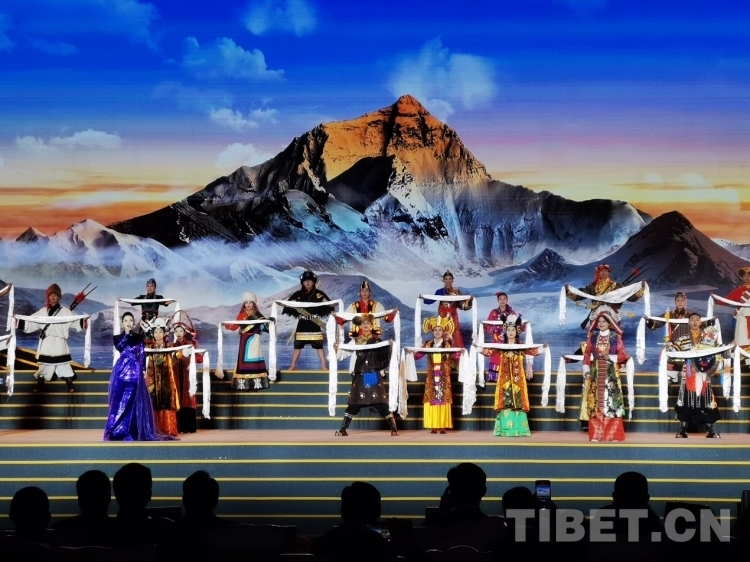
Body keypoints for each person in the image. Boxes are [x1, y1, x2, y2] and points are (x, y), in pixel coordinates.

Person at [104, 312, 171, 441]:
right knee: (120, 401)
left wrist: (144, 369)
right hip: (121, 372)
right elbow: (120, 347)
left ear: (133, 322)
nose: (128, 323)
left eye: (131, 320)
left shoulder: (138, 337)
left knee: (134, 401)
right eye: (126, 320)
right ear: (122, 323)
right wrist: (127, 334)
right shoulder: (117, 337)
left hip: (135, 371)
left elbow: (142, 354)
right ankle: (117, 430)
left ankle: (133, 430)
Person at [334, 313, 398, 436]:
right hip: (360, 374)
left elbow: (384, 358)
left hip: (371, 374)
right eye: (363, 323)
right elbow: (343, 353)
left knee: (379, 402)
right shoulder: (355, 341)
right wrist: (337, 348)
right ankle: (343, 430)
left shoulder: (377, 341)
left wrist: (389, 347)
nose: (365, 325)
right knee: (354, 404)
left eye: (368, 323)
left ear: (371, 325)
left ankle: (394, 429)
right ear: (360, 326)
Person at [482, 315, 544, 437]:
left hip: (517, 380)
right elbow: (490, 352)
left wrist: (542, 348)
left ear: (517, 331)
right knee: (505, 401)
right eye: (509, 330)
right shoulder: (501, 347)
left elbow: (532, 351)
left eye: (513, 330)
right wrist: (479, 348)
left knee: (518, 400)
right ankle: (504, 429)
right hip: (505, 380)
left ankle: (520, 429)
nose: (511, 332)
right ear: (506, 331)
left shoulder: (521, 346)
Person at [18, 283, 84, 393]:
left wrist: (84, 321)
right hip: (47, 342)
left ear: (59, 297)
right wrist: (19, 321)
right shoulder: (43, 311)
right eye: (50, 295)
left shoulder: (65, 311)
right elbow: (32, 321)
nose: (52, 297)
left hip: (59, 342)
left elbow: (75, 321)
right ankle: (39, 387)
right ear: (48, 297)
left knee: (63, 365)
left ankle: (70, 386)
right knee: (44, 366)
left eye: (55, 295)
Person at [667, 313, 723, 438]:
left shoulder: (708, 338)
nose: (695, 322)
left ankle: (711, 430)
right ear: (688, 323)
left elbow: (720, 349)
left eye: (697, 319)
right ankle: (682, 430)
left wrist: (731, 346)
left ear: (700, 322)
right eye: (692, 319)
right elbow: (672, 353)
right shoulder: (682, 339)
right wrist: (668, 349)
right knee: (685, 401)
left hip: (704, 375)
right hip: (688, 374)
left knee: (707, 401)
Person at [581, 307, 630, 442]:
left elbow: (622, 355)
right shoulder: (593, 338)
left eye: (604, 321)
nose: (601, 323)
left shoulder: (616, 338)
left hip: (611, 374)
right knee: (596, 402)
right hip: (596, 374)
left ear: (610, 323)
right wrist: (586, 371)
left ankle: (613, 435)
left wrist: (610, 357)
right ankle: (596, 434)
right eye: (599, 321)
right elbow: (586, 356)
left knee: (612, 403)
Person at [412, 316, 459, 434]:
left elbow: (456, 356)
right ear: (432, 331)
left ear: (443, 332)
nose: (437, 332)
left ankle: (442, 425)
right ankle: (433, 425)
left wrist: (453, 342)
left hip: (444, 376)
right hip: (432, 376)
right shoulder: (428, 344)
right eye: (435, 330)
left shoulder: (447, 345)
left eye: (440, 330)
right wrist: (409, 353)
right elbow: (417, 356)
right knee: (432, 398)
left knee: (443, 398)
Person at [565, 264, 645, 330]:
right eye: (601, 271)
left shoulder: (617, 285)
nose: (603, 272)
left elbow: (630, 296)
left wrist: (642, 289)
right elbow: (581, 294)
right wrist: (568, 291)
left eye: (605, 271)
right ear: (598, 272)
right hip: (596, 313)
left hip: (612, 313)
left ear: (609, 272)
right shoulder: (592, 286)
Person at [282, 270, 334, 371]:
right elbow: (288, 305)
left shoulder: (319, 294)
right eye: (306, 281)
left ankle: (323, 366)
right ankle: (293, 365)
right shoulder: (297, 294)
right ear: (303, 282)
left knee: (319, 346)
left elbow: (330, 304)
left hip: (314, 323)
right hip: (302, 323)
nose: (308, 283)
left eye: (310, 280)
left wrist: (328, 309)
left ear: (314, 282)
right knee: (297, 346)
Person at [225, 291, 270, 391]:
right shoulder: (241, 316)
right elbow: (235, 326)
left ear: (253, 303)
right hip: (244, 341)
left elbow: (263, 327)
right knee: (244, 364)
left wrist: (269, 324)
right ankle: (246, 385)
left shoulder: (258, 315)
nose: (248, 304)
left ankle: (255, 385)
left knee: (255, 362)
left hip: (255, 340)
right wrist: (227, 325)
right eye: (246, 302)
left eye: (250, 302)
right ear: (244, 304)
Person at [145, 317, 180, 437]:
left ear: (164, 333)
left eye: (160, 332)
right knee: (152, 401)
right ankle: (154, 429)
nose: (158, 334)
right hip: (152, 380)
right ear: (153, 333)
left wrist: (182, 354)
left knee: (166, 400)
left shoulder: (170, 347)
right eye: (156, 332)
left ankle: (168, 428)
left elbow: (176, 357)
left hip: (166, 380)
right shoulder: (149, 348)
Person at [646, 291, 693, 378]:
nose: (680, 302)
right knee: (669, 368)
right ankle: (671, 378)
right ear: (675, 302)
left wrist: (710, 322)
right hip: (673, 345)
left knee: (688, 372)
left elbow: (700, 324)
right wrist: (649, 321)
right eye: (678, 300)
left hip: (687, 345)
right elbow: (657, 322)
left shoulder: (691, 316)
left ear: (685, 302)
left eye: (682, 300)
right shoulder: (669, 314)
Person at [423, 270, 474, 348]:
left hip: (453, 317)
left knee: (454, 333)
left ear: (452, 280)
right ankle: (442, 351)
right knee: (442, 332)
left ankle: (455, 353)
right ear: (443, 280)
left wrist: (469, 302)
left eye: (450, 279)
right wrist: (424, 298)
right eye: (446, 279)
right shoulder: (440, 291)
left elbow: (462, 305)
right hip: (442, 316)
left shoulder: (456, 292)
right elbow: (430, 300)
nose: (448, 281)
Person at [170, 311, 201, 433]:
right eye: (176, 331)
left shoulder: (189, 345)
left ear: (184, 333)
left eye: (180, 331)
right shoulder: (172, 346)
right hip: (176, 376)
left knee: (188, 399)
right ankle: (179, 427)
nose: (178, 333)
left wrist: (192, 352)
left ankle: (189, 427)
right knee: (177, 399)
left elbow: (199, 359)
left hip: (187, 377)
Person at [722, 266, 750, 351]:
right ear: (742, 277)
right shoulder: (738, 290)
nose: (747, 278)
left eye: (749, 275)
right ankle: (742, 358)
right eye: (744, 276)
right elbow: (726, 300)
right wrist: (714, 298)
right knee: (742, 341)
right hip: (742, 319)